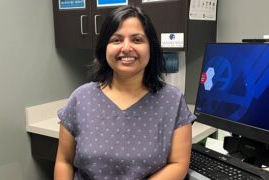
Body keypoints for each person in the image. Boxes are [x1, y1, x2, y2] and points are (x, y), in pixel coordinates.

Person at [54, 5, 196, 180]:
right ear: (104, 47)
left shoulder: (172, 101)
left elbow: (178, 164)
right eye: (116, 40)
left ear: (150, 46)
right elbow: (64, 161)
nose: (126, 48)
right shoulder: (80, 98)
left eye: (137, 40)